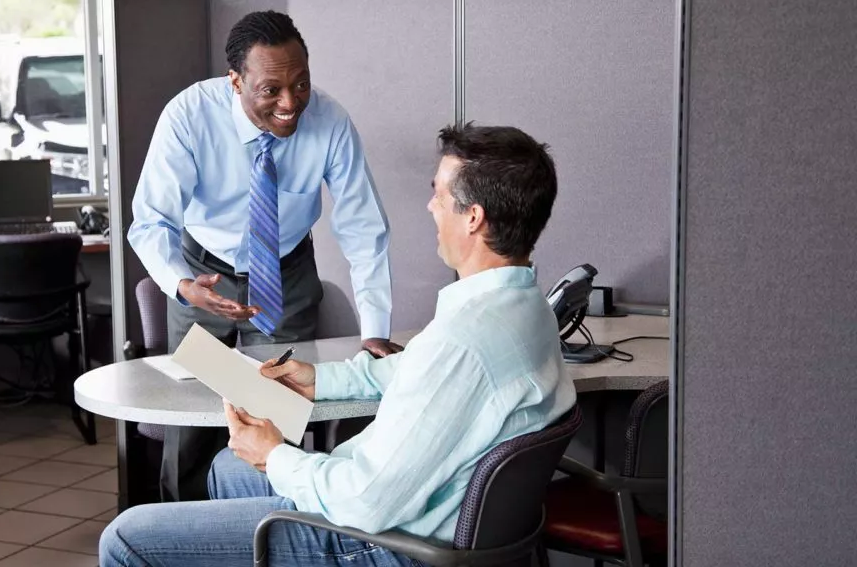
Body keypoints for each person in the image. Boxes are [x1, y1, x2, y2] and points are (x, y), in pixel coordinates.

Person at [100, 122, 577, 566]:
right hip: (421, 517)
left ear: (473, 217)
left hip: (385, 545)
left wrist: (276, 455)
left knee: (123, 537)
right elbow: (412, 371)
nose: (431, 205)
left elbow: (366, 500)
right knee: (227, 467)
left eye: (438, 193)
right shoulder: (523, 306)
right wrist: (317, 380)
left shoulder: (465, 343)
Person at [128, 10, 401, 502]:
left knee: (276, 420)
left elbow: (365, 229)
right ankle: (180, 537)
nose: (290, 103)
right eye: (271, 90)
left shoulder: (330, 120)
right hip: (201, 273)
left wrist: (375, 330)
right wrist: (181, 283)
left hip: (285, 272)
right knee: (192, 425)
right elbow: (150, 221)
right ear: (236, 81)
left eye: (301, 84)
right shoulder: (190, 115)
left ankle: (265, 537)